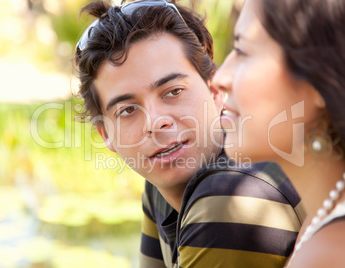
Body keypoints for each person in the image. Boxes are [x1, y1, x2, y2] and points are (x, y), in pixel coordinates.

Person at [74, 0, 304, 267]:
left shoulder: (230, 196)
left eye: (173, 91)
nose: (155, 123)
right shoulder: (161, 183)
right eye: (127, 110)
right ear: (106, 134)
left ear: (215, 91)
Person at [212, 0, 345, 267]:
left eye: (242, 51)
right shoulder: (322, 222)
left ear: (321, 77)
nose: (219, 78)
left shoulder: (333, 254)